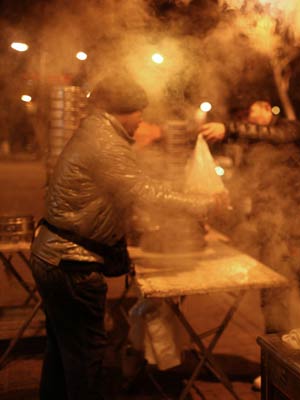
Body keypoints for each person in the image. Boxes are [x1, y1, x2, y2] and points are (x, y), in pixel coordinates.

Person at [29, 73, 224, 400]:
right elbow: (144, 192)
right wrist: (204, 205)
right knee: (86, 358)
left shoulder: (97, 132)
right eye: (139, 112)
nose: (143, 120)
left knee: (63, 352)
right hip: (71, 263)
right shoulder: (105, 142)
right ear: (122, 110)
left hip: (54, 256)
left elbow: (127, 190)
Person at [200, 100, 300, 334]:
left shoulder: (291, 129)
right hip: (271, 220)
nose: (250, 120)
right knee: (273, 282)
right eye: (247, 117)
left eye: (253, 113)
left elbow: (275, 135)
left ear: (266, 108)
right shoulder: (254, 141)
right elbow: (250, 177)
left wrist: (229, 128)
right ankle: (275, 341)